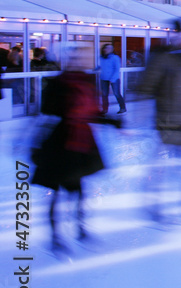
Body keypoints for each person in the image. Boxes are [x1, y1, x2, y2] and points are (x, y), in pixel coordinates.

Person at [31, 47, 119, 253]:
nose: (80, 62)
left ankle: (79, 228)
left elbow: (93, 112)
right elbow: (47, 112)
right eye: (76, 58)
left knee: (77, 188)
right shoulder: (58, 83)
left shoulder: (86, 83)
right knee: (57, 190)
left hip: (80, 144)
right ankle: (56, 235)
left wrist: (114, 122)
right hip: (60, 143)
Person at [136, 21, 181, 223]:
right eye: (175, 33)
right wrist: (139, 114)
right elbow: (148, 85)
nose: (179, 37)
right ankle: (153, 204)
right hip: (166, 121)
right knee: (161, 167)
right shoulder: (162, 57)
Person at [97, 43, 127, 115]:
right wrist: (96, 68)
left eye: (110, 48)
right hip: (104, 78)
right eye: (107, 48)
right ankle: (105, 109)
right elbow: (101, 66)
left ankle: (122, 108)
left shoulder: (115, 57)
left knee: (116, 93)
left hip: (114, 79)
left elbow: (117, 69)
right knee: (104, 94)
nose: (108, 49)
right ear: (104, 49)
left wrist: (113, 79)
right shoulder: (101, 57)